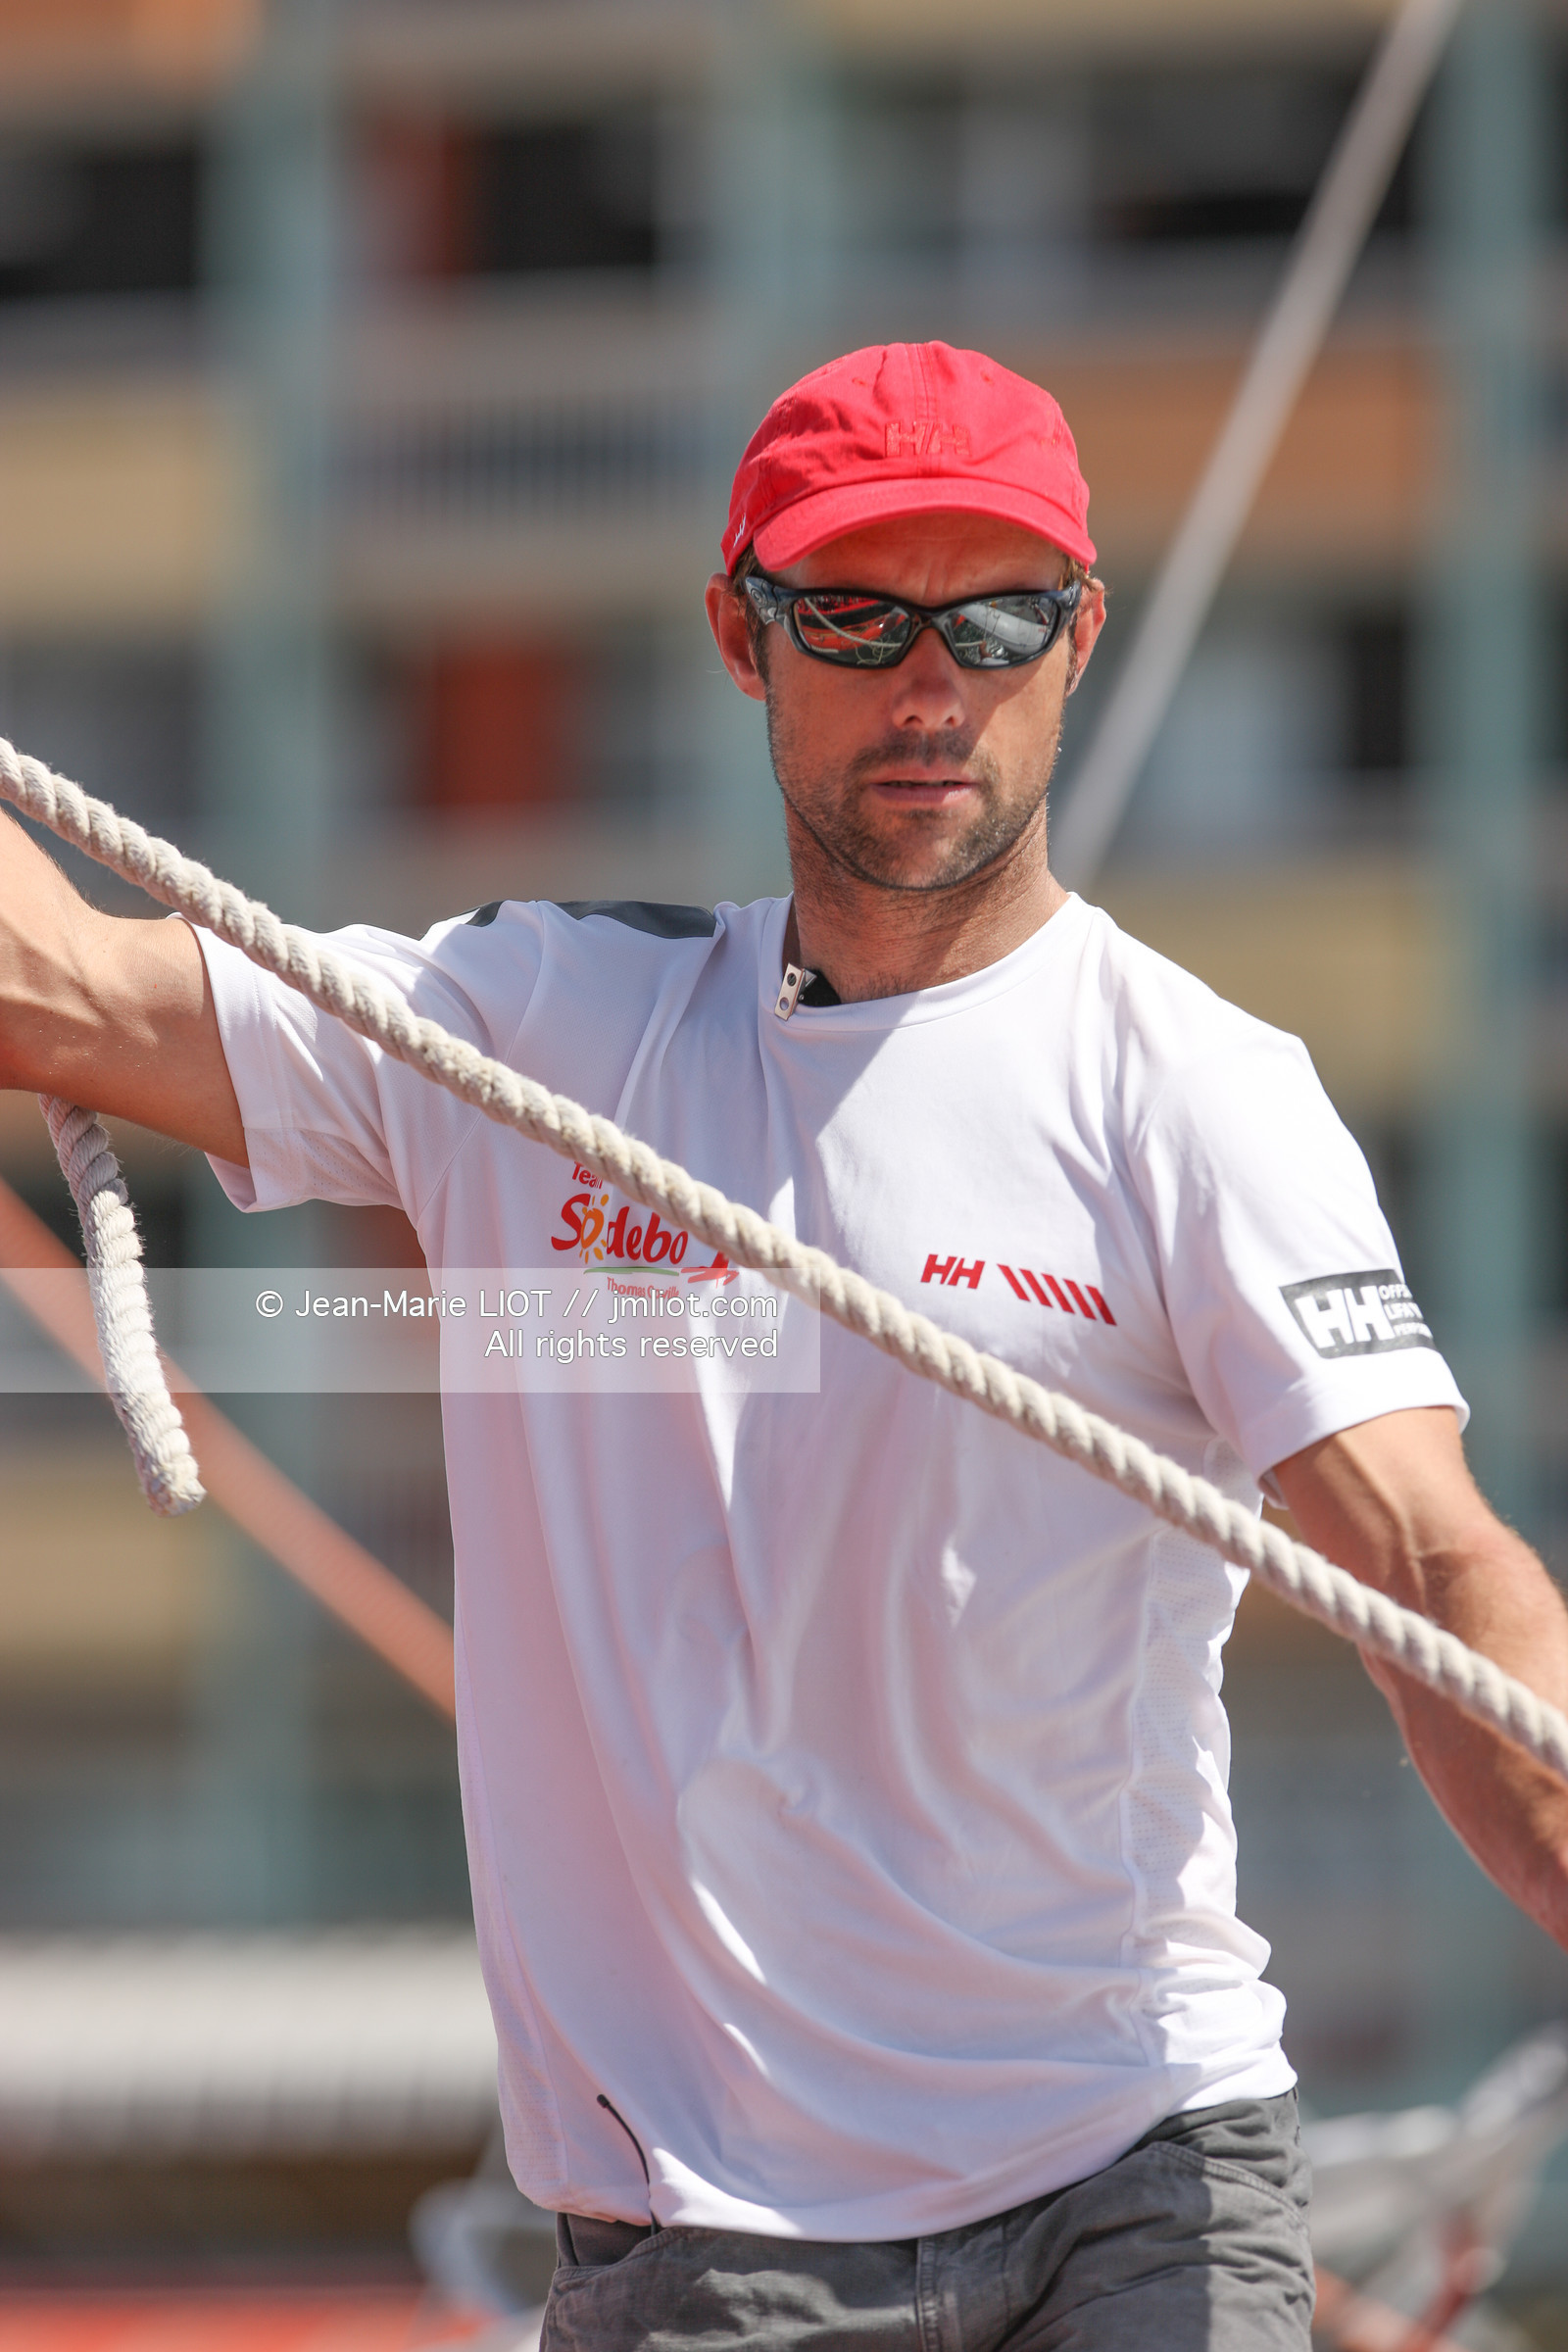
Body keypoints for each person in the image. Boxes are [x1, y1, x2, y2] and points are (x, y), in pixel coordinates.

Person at [2, 339, 1566, 2351]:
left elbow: (1433, 1570)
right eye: (855, 613)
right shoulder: (538, 1031)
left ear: (1076, 640)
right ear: (741, 638)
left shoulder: (1193, 1093)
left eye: (994, 617)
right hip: (701, 2234)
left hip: (1135, 2165)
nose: (931, 685)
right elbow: (51, 987)